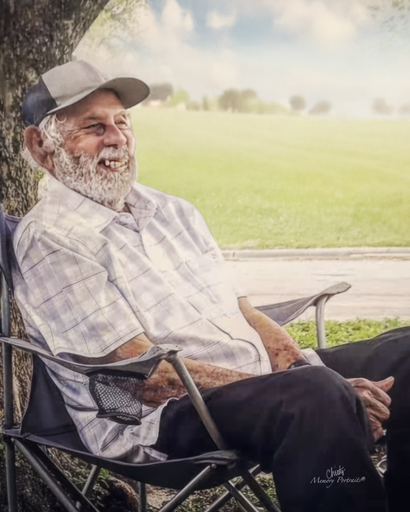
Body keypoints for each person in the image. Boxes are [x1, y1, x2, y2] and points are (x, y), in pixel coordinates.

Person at [12, 60, 408, 512]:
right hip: (159, 419)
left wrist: (297, 371)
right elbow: (142, 377)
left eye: (122, 121)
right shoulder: (51, 239)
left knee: (404, 354)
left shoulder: (174, 211)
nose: (118, 137)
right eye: (94, 127)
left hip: (263, 385)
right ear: (41, 146)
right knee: (317, 398)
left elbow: (245, 312)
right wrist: (318, 388)